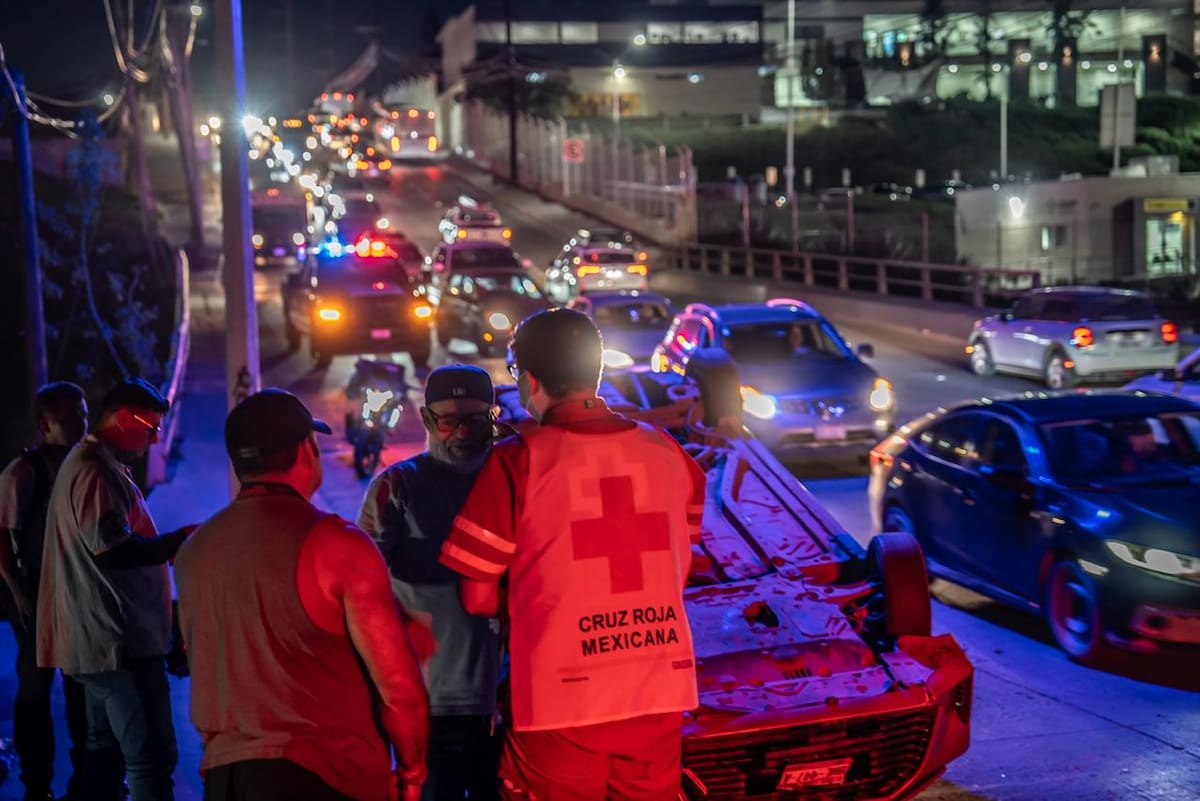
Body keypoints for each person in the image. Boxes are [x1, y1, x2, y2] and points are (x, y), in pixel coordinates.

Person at [439, 309, 706, 801]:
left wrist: (547, 595)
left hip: (561, 703)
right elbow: (678, 564)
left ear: (532, 381)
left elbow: (477, 599)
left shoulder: (519, 461)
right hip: (658, 694)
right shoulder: (670, 454)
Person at [175, 389, 430, 801]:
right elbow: (398, 688)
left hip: (227, 777)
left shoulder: (193, 552)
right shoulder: (337, 546)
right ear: (306, 451)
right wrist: (413, 770)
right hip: (322, 774)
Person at [37, 378, 193, 801]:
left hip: (108, 643)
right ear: (125, 419)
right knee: (150, 759)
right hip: (114, 646)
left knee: (103, 754)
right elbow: (113, 550)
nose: (154, 439)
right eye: (151, 428)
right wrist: (178, 541)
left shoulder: (97, 465)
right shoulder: (93, 472)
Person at [358, 364, 502, 801]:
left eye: (476, 420)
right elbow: (359, 589)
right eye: (449, 420)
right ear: (426, 419)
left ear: (493, 417)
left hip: (506, 695)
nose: (462, 431)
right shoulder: (397, 487)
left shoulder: (516, 478)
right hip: (429, 699)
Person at [0, 382, 89, 801]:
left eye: (82, 414)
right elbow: (2, 535)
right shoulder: (23, 473)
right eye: (69, 417)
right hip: (36, 588)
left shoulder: (87, 465)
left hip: (75, 586)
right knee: (36, 684)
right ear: (44, 424)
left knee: (79, 683)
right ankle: (38, 784)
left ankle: (83, 780)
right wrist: (18, 590)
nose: (79, 423)